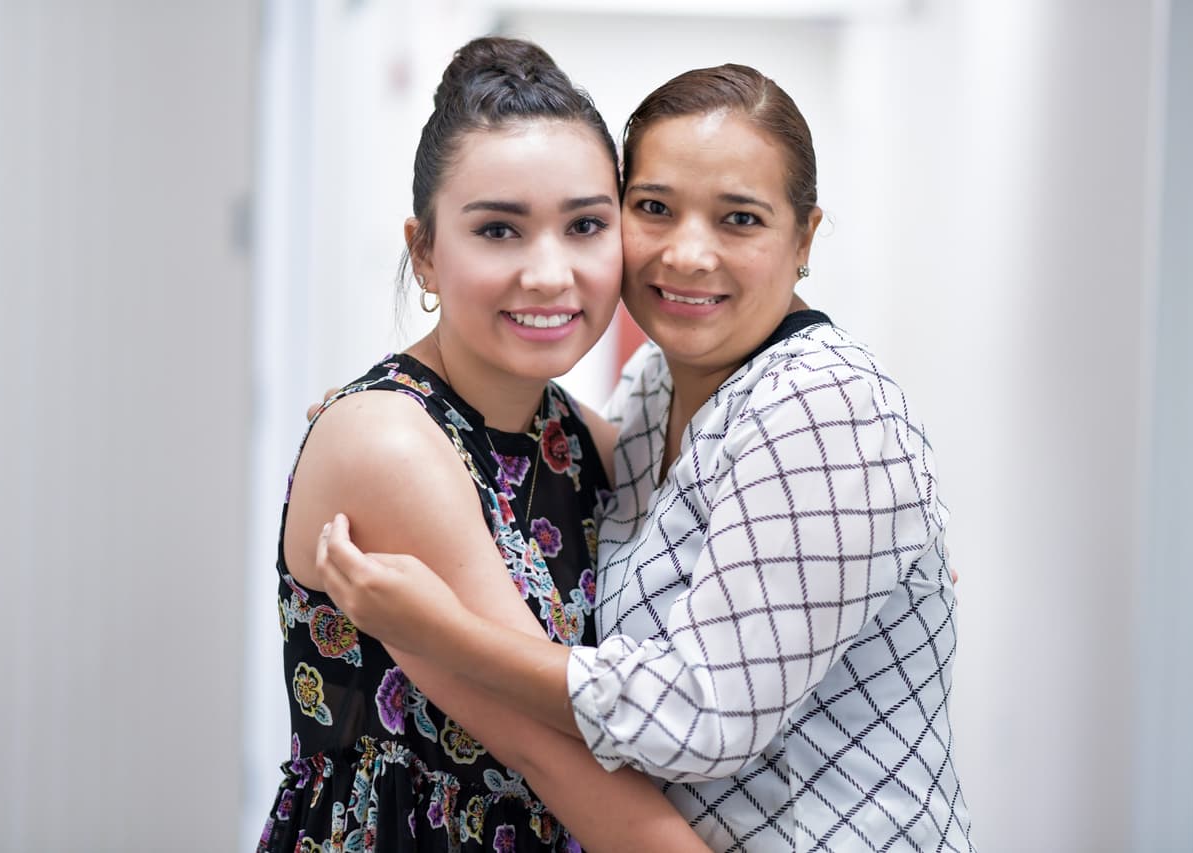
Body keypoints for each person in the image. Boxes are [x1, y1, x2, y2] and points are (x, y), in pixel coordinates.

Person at [319, 63, 974, 852]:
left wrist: (447, 634)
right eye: (655, 208)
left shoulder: (822, 403)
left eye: (740, 219)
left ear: (803, 238)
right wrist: (376, 419)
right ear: (423, 251)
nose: (688, 254)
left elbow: (699, 715)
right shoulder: (652, 392)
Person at [257, 36, 711, 852]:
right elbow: (550, 750)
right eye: (500, 230)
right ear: (425, 253)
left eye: (585, 225)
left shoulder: (582, 438)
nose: (549, 273)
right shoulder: (385, 443)